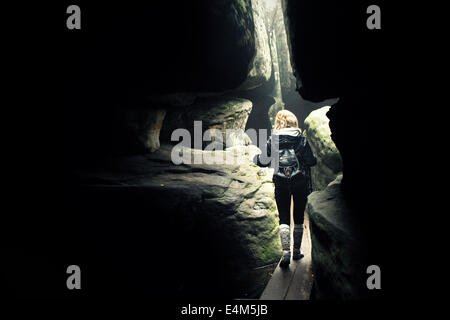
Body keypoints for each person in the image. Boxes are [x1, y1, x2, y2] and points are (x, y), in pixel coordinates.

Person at [254, 110, 317, 268]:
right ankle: (296, 251)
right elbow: (310, 161)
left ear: (279, 122)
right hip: (299, 180)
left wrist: (253, 158)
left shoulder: (273, 140)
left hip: (280, 181)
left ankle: (286, 254)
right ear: (293, 122)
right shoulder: (301, 139)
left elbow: (262, 161)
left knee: (283, 217)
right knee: (298, 216)